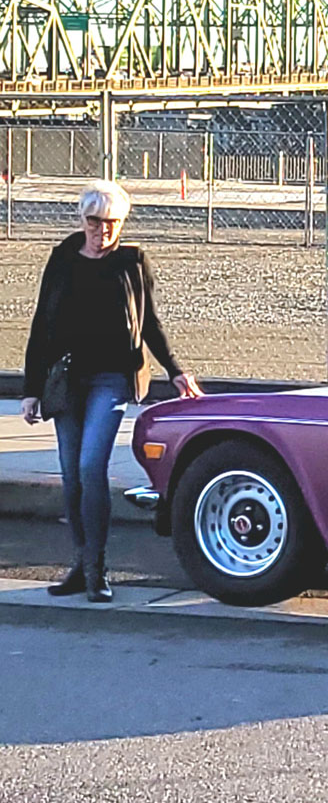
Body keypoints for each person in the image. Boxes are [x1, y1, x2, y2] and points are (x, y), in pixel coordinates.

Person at [19, 180, 203, 603]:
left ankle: (97, 568)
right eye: (95, 221)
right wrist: (31, 390)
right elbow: (41, 325)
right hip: (66, 380)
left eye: (112, 222)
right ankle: (81, 564)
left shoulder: (131, 262)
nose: (103, 230)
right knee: (71, 476)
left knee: (90, 467)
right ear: (81, 219)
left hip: (112, 379)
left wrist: (175, 370)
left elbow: (149, 322)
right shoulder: (63, 258)